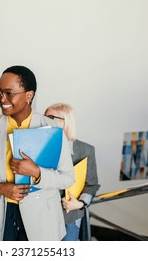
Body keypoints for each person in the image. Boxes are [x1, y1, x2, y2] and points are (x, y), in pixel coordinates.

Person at [0, 65, 75, 241]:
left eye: (9, 93)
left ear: (29, 95)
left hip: (41, 218)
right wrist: (1, 188)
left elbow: (67, 178)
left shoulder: (52, 129)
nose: (1, 99)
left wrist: (37, 172)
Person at [44, 103, 100, 241]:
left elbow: (91, 185)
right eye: (45, 116)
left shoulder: (86, 150)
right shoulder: (39, 146)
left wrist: (80, 204)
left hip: (69, 217)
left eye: (51, 117)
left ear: (66, 121)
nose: (45, 120)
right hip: (41, 216)